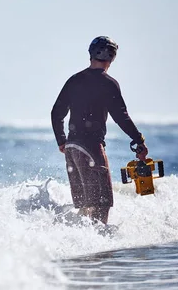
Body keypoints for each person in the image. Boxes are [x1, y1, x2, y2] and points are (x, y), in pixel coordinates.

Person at [50, 36, 149, 225]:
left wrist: (62, 141)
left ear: (91, 54)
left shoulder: (74, 80)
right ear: (111, 57)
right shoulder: (108, 83)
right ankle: (99, 251)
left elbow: (56, 113)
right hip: (91, 148)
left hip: (72, 149)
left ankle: (82, 249)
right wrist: (139, 140)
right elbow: (121, 117)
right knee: (101, 205)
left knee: (85, 207)